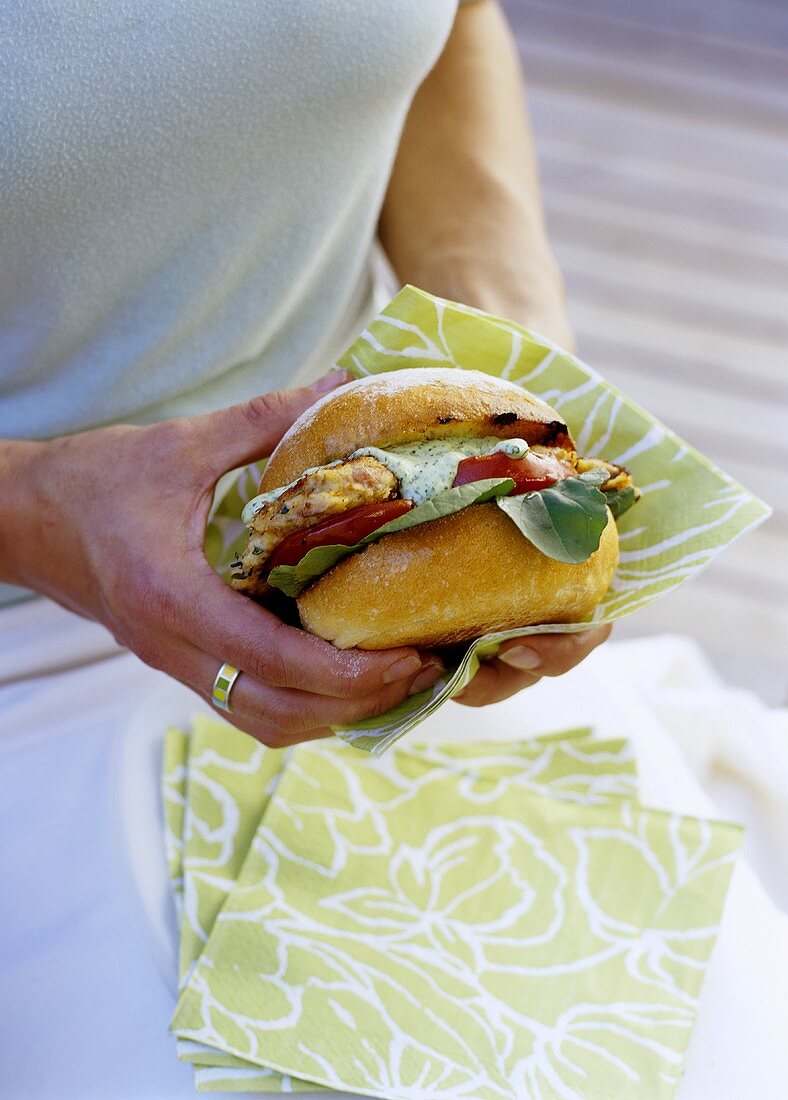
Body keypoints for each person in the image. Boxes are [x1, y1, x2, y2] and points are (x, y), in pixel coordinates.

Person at [0, 1, 608, 748]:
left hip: (370, 604)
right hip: (23, 614)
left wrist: (511, 366)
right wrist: (31, 510)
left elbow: (452, 25)